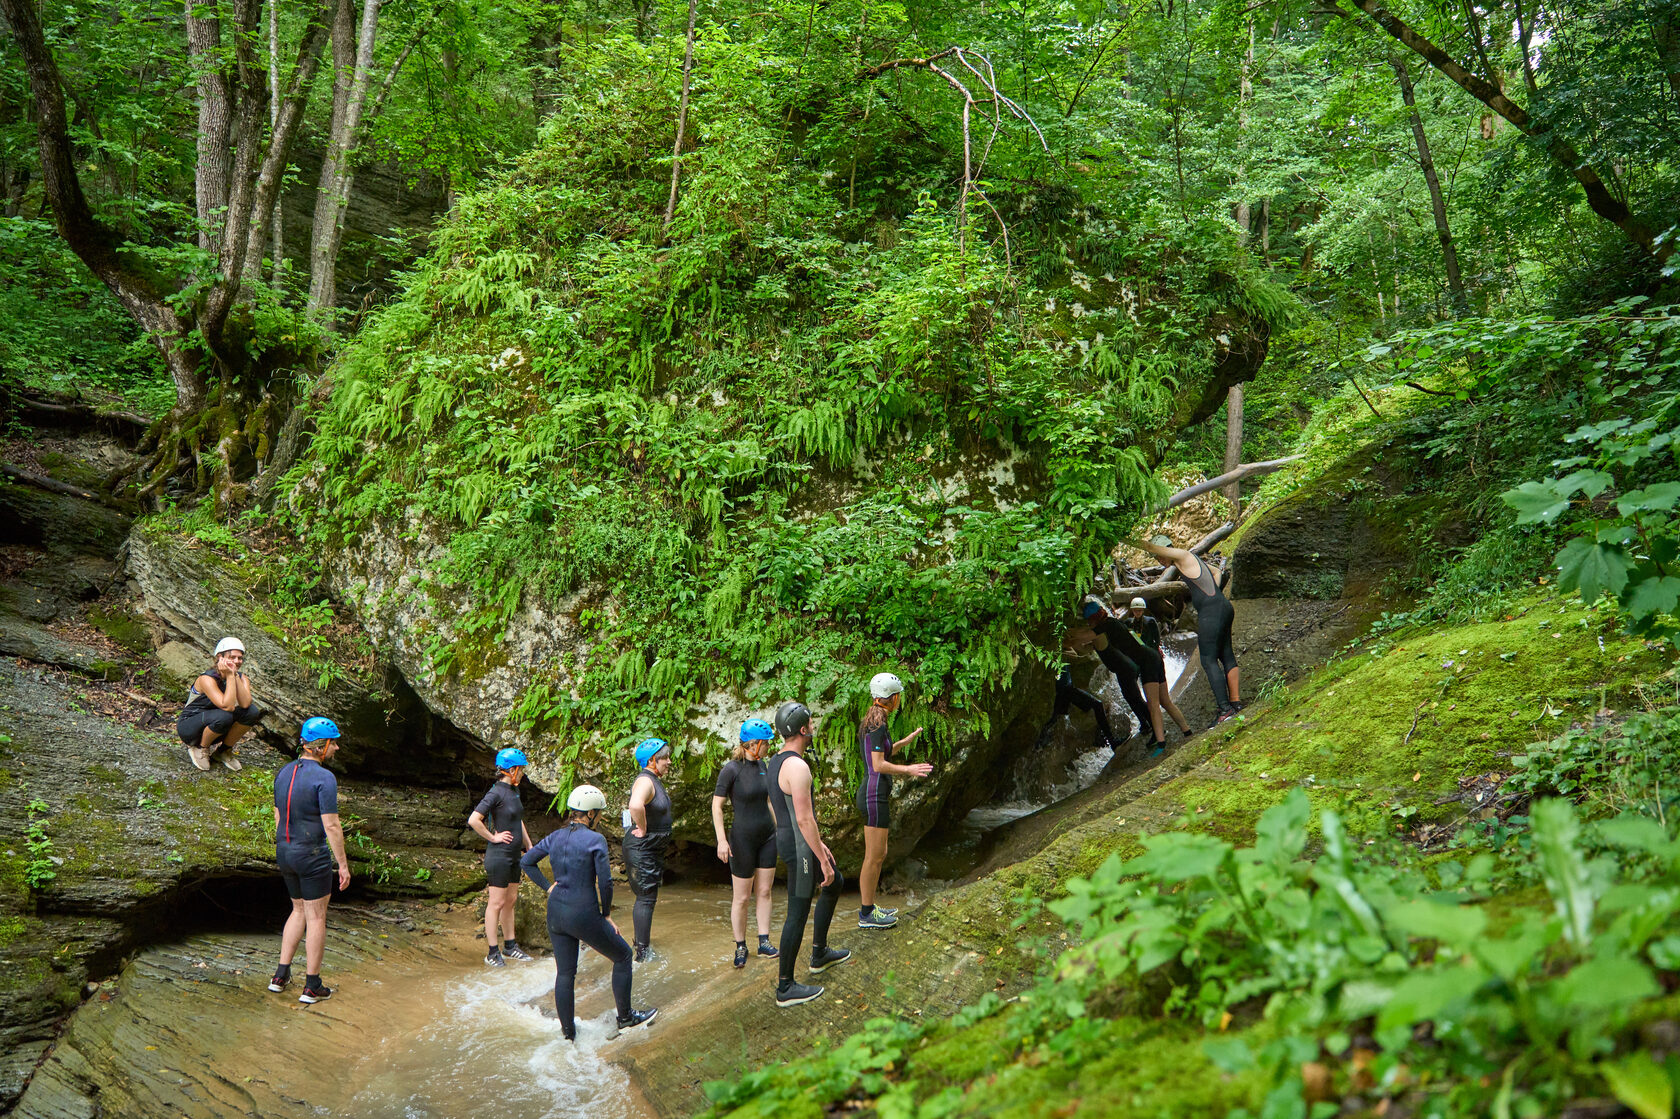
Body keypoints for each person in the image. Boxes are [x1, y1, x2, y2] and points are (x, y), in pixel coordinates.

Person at [521, 785, 657, 1040]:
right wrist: (606, 914)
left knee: (565, 973)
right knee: (624, 956)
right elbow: (605, 883)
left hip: (556, 912)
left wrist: (549, 887)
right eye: (600, 814)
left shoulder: (555, 836)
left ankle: (568, 1034)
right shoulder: (596, 840)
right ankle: (626, 1019)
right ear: (591, 813)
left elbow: (526, 861)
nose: (601, 818)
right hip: (583, 912)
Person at [767, 700, 850, 1006]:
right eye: (811, 723)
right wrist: (819, 859)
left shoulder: (775, 761)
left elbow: (780, 810)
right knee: (798, 911)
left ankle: (819, 952)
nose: (814, 726)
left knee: (837, 882)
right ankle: (785, 987)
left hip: (793, 840)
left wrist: (820, 847)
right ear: (803, 730)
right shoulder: (798, 766)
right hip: (800, 845)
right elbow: (804, 817)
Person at [268, 716, 349, 1004]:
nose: (336, 748)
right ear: (319, 747)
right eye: (333, 743)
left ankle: (280, 976)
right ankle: (312, 986)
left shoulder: (284, 772)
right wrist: (343, 864)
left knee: (298, 910)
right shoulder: (324, 778)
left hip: (285, 850)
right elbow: (331, 826)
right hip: (311, 854)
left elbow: (278, 816)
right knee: (316, 917)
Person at [856, 672, 932, 930]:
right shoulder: (877, 725)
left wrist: (904, 742)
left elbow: (882, 753)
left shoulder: (875, 720)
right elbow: (877, 765)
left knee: (880, 853)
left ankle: (870, 907)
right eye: (898, 695)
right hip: (873, 795)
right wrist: (909, 770)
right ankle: (866, 914)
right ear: (892, 697)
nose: (900, 699)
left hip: (876, 795)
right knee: (873, 857)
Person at [1141, 535, 1241, 725]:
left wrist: (1120, 537)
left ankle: (1225, 709)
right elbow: (1216, 572)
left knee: (1208, 659)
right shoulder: (1185, 561)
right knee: (1226, 654)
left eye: (1159, 556)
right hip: (1221, 607)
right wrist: (1214, 594)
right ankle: (1235, 703)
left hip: (1212, 612)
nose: (1160, 561)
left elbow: (1149, 546)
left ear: (1165, 549)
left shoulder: (1181, 555)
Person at [711, 718, 780, 968]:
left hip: (767, 836)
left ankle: (764, 941)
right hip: (742, 838)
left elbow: (770, 802)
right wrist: (721, 840)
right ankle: (741, 946)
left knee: (764, 891)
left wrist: (780, 829)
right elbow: (717, 806)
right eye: (766, 744)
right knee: (741, 898)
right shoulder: (731, 769)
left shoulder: (765, 766)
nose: (768, 748)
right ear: (754, 744)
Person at [1082, 596, 1190, 753]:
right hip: (1153, 657)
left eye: (1089, 621)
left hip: (1147, 662)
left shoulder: (1104, 626)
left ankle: (1161, 744)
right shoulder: (1116, 623)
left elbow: (1083, 637)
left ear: (1094, 619)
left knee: (1153, 706)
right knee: (1165, 701)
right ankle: (1187, 732)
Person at [469, 747, 536, 967]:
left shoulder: (514, 792)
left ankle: (510, 946)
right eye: (522, 770)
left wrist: (528, 844)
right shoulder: (495, 792)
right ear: (512, 770)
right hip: (499, 856)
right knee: (496, 902)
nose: (523, 774)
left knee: (511, 900)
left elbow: (518, 821)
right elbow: (474, 820)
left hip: (515, 855)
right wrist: (493, 837)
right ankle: (492, 952)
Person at [177, 636, 263, 771]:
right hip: (190, 727)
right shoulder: (206, 679)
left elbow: (245, 704)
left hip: (217, 725)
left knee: (252, 712)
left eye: (239, 658)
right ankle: (201, 749)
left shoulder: (241, 677)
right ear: (219, 657)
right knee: (224, 715)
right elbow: (227, 706)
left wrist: (234, 676)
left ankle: (223, 751)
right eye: (232, 657)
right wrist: (229, 676)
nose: (237, 661)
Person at [623, 737, 674, 962]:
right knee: (645, 898)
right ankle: (641, 954)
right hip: (642, 847)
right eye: (665, 758)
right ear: (652, 760)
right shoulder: (645, 780)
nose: (669, 762)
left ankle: (642, 946)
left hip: (651, 849)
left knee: (648, 897)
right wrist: (642, 828)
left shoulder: (654, 779)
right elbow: (635, 805)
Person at [1036, 638, 1120, 753]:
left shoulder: (1060, 645)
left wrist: (1061, 651)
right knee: (1054, 720)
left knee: (1097, 705)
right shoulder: (1045, 651)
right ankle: (1039, 745)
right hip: (1060, 691)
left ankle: (1110, 741)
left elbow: (1075, 655)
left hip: (1068, 688)